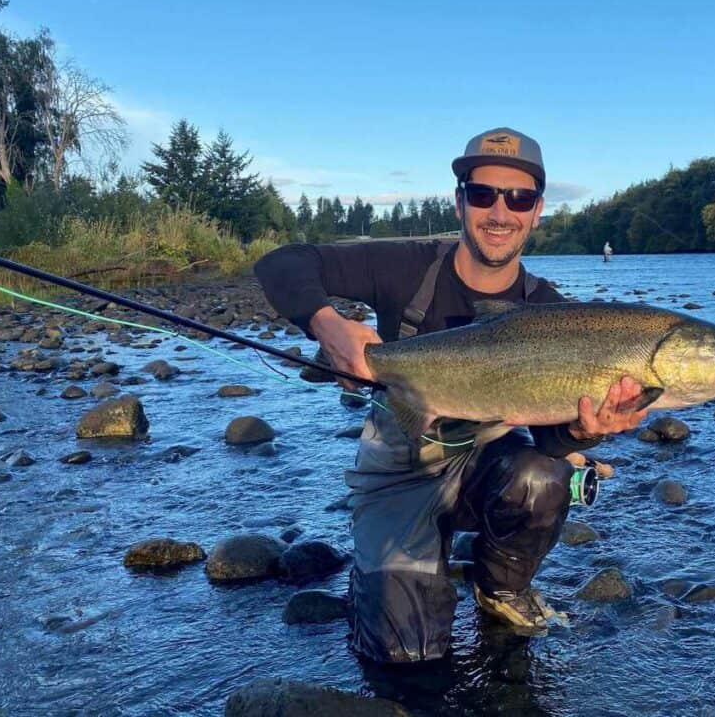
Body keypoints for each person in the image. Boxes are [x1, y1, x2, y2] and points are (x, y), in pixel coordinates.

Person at [254, 127, 651, 664]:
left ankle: (500, 587)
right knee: (407, 656)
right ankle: (383, 579)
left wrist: (582, 431)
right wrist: (328, 326)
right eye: (484, 194)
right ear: (460, 201)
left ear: (537, 212)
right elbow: (281, 263)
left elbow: (549, 440)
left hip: (487, 464)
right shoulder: (407, 264)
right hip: (400, 470)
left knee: (545, 477)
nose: (500, 212)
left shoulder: (552, 311)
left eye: (520, 198)